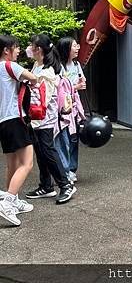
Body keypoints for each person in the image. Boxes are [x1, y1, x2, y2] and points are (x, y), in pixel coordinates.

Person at [24, 34, 76, 204]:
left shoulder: (47, 71)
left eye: (32, 46)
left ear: (38, 49)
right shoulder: (37, 66)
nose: (29, 49)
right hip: (37, 119)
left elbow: (43, 99)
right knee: (41, 152)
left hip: (44, 118)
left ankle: (65, 184)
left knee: (47, 150)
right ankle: (46, 186)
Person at [0, 35, 38, 226]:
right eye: (16, 48)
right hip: (16, 120)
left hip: (3, 123)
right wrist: (31, 80)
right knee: (27, 163)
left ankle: (12, 200)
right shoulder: (10, 66)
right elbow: (33, 77)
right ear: (6, 50)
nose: (18, 51)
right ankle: (7, 203)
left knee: (12, 164)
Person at [55, 37, 86, 184]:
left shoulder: (76, 64)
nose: (78, 48)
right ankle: (64, 171)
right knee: (64, 140)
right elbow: (59, 90)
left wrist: (80, 84)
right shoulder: (58, 67)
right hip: (63, 110)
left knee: (74, 139)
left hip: (75, 108)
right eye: (75, 46)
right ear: (66, 49)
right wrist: (76, 87)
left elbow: (82, 82)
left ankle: (72, 170)